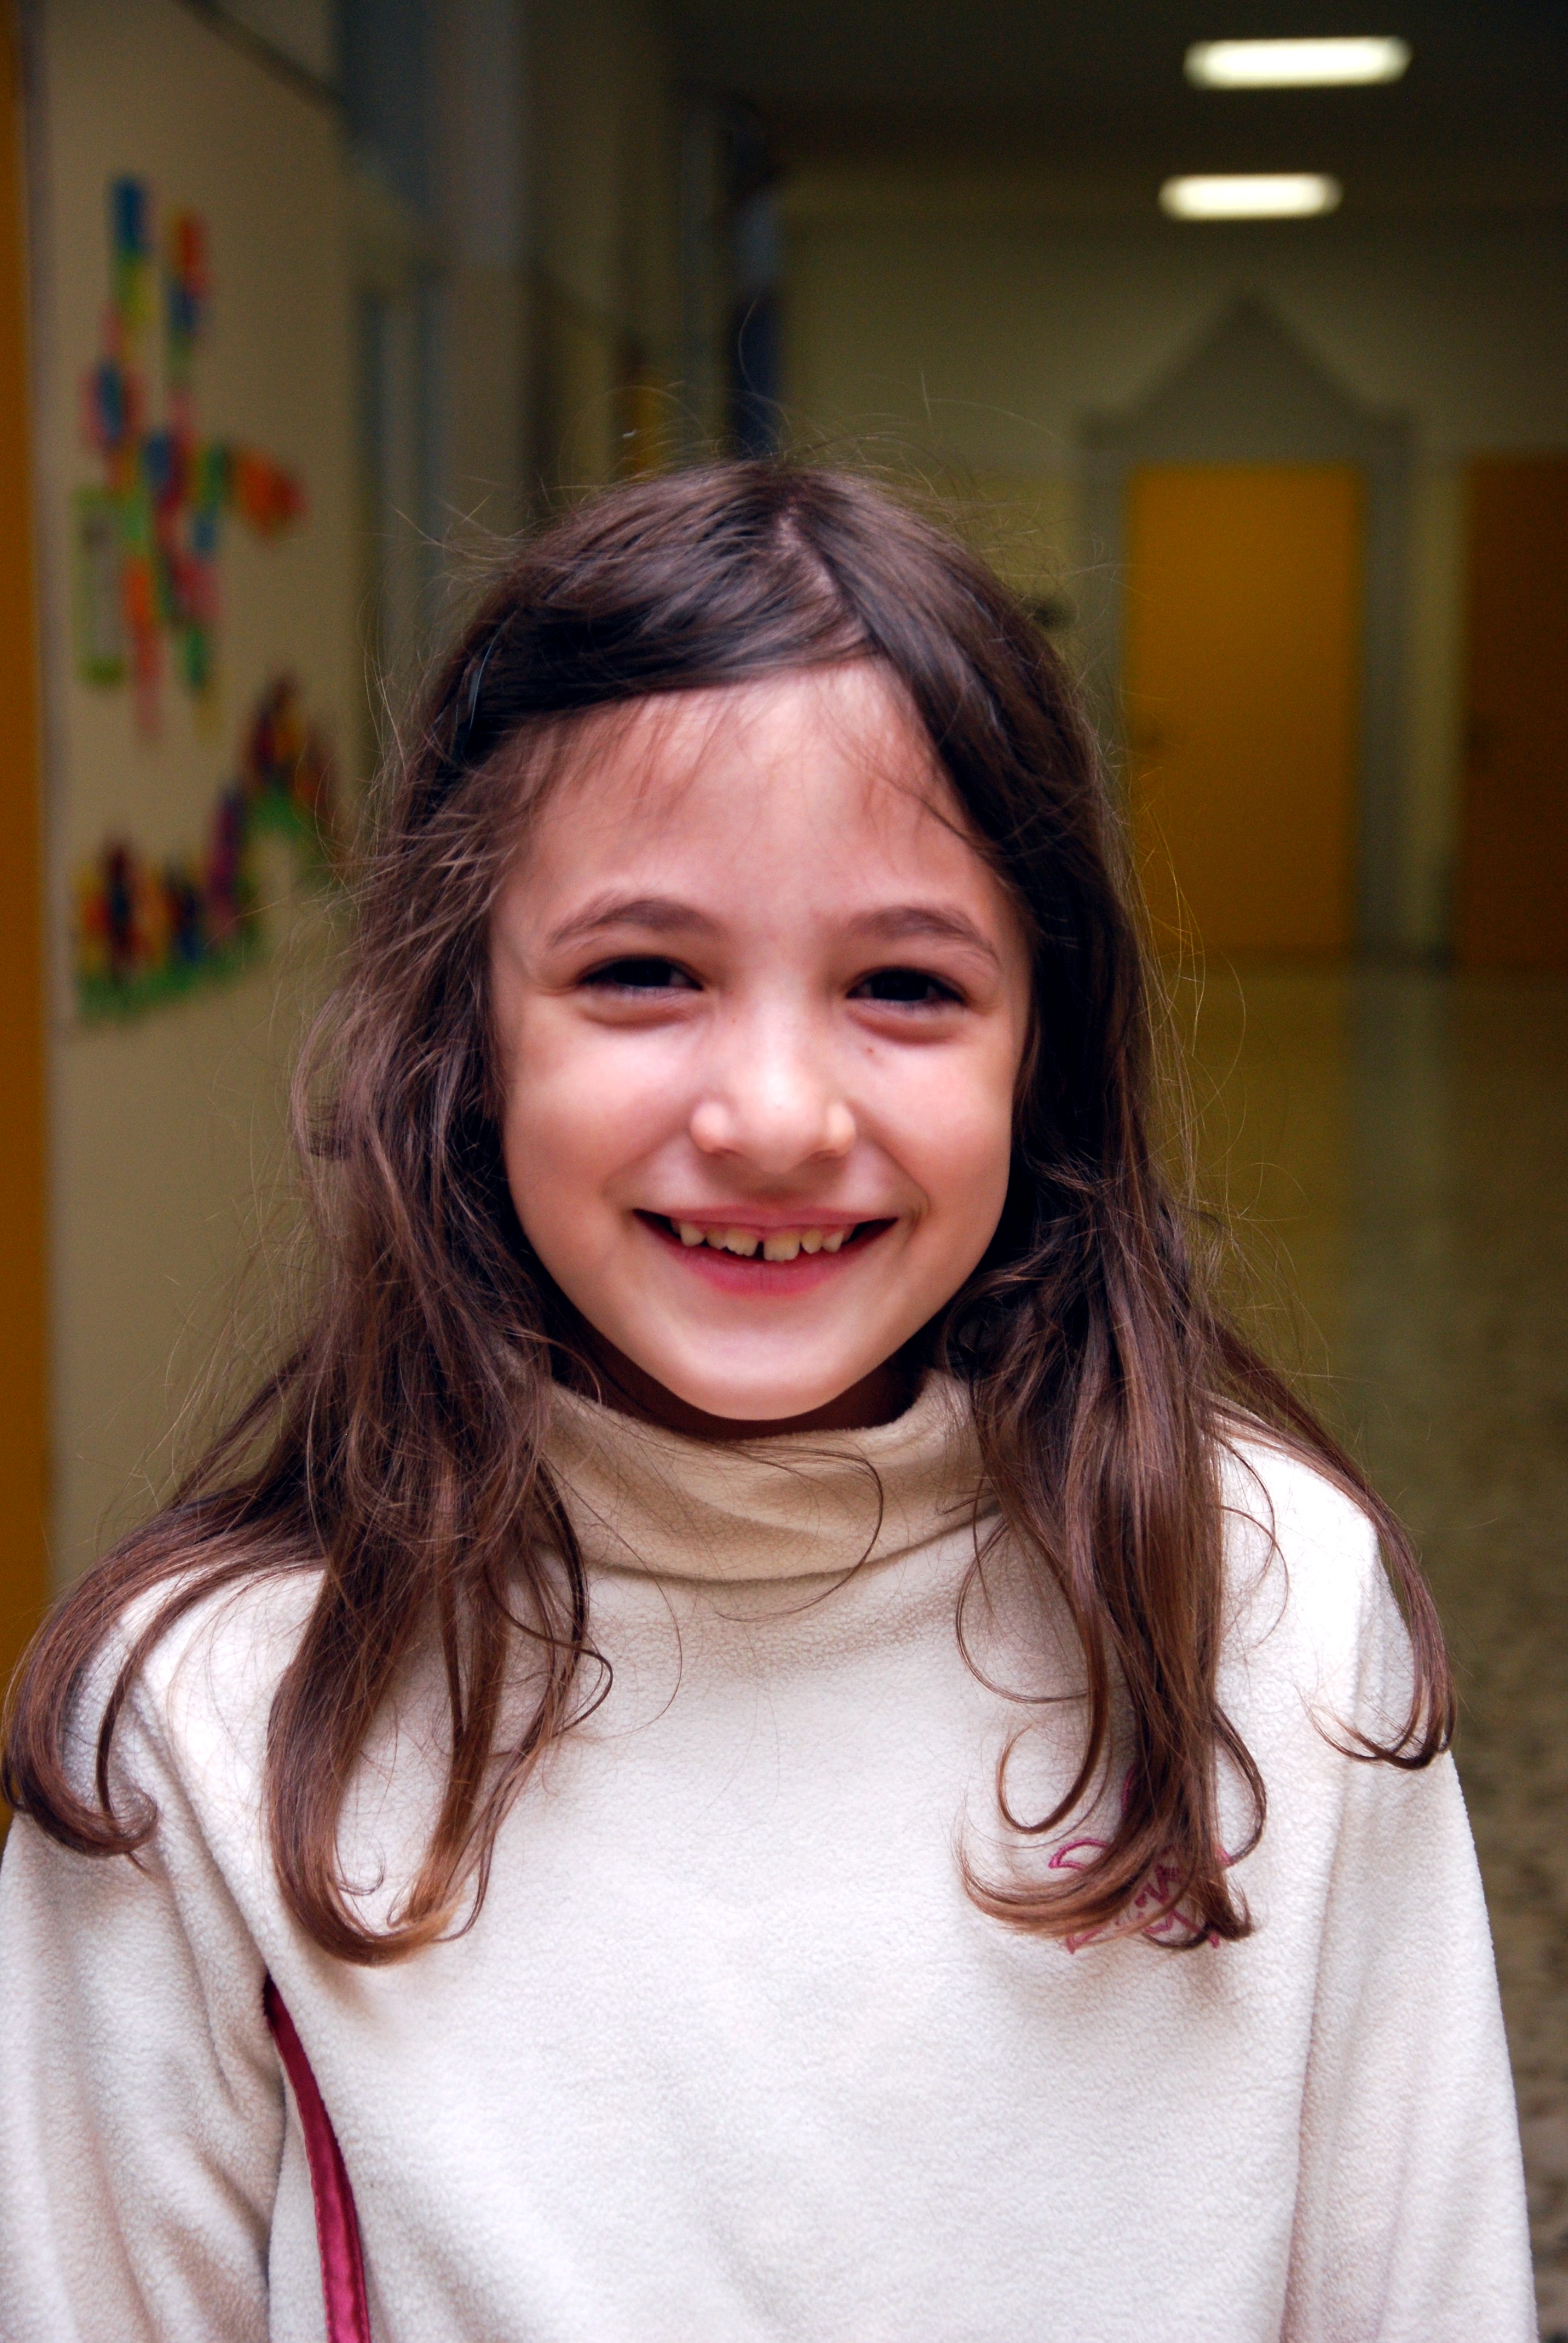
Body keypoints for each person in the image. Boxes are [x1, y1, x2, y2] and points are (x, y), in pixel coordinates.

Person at [0, 464, 1535, 2342]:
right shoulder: (208, 1731)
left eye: (905, 986)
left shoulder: (1275, 1615)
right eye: (644, 972)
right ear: (468, 1033)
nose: (778, 1118)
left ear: (1042, 1050)